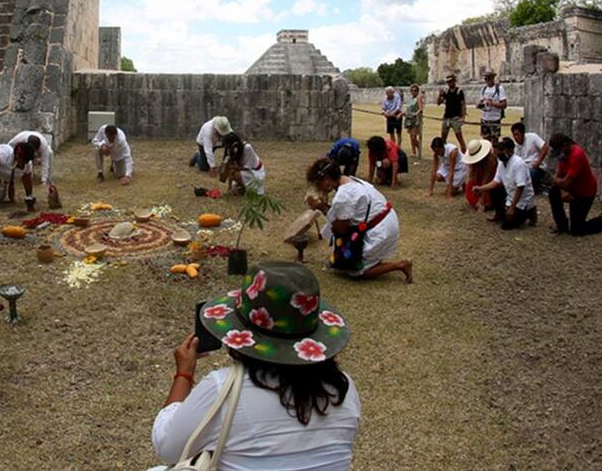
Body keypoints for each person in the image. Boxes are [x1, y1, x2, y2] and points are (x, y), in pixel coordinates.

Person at [151, 262, 359, 469]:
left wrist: (184, 374)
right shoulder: (344, 388)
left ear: (240, 330)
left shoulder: (224, 388)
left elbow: (167, 447)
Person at [306, 158, 412, 282]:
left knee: (357, 271)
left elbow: (341, 228)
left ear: (327, 180)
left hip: (381, 228)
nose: (318, 187)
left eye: (319, 183)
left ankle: (401, 265)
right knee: (342, 262)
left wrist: (322, 207)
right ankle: (371, 258)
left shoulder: (343, 196)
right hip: (386, 219)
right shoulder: (349, 180)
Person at [547, 134, 602, 236]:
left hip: (584, 193)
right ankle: (562, 224)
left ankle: (601, 220)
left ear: (565, 145)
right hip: (571, 188)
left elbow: (563, 181)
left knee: (577, 230)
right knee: (553, 192)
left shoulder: (576, 155)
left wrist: (558, 182)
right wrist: (562, 190)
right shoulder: (563, 156)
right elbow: (558, 176)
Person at [471, 138, 536, 230]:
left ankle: (529, 211)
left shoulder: (518, 164)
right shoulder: (501, 164)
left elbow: (520, 187)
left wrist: (512, 207)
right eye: (498, 149)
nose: (498, 152)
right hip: (510, 196)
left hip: (522, 200)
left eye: (502, 149)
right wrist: (481, 188)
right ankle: (500, 213)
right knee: (494, 190)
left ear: (510, 150)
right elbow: (496, 182)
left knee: (506, 226)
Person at [461, 139, 497, 214]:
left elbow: (486, 179)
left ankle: (488, 204)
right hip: (479, 181)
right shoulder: (474, 163)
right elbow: (471, 175)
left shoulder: (490, 161)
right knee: (470, 191)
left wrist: (481, 200)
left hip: (490, 183)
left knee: (491, 198)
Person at [511, 122, 548, 193]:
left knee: (529, 174)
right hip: (523, 168)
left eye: (517, 135)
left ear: (522, 133)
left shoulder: (532, 137)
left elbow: (545, 147)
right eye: (514, 135)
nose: (516, 137)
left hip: (536, 168)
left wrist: (538, 162)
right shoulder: (515, 146)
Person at [437, 74, 467, 152]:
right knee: (443, 138)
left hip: (456, 117)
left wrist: (463, 117)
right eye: (448, 82)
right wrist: (440, 95)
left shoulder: (459, 91)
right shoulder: (446, 92)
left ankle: (464, 154)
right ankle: (444, 153)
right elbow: (438, 103)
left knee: (459, 138)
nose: (449, 83)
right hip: (447, 117)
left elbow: (463, 104)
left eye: (451, 81)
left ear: (454, 81)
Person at [477, 70, 506, 143]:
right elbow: (481, 101)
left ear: (493, 78)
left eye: (489, 78)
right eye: (486, 78)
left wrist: (492, 103)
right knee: (485, 142)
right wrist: (479, 105)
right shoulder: (483, 89)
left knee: (494, 142)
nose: (487, 80)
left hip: (495, 119)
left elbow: (504, 104)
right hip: (485, 119)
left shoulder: (499, 88)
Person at [404, 84, 425, 161]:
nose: (413, 92)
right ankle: (414, 152)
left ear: (417, 91)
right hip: (409, 119)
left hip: (415, 120)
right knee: (411, 137)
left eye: (415, 90)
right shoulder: (410, 99)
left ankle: (419, 148)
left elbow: (421, 108)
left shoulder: (418, 98)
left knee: (413, 136)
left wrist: (416, 113)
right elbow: (408, 108)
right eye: (412, 90)